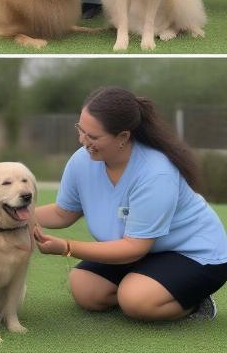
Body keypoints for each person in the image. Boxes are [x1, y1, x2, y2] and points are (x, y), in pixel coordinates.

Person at [34, 87, 227, 322]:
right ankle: (150, 286)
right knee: (85, 289)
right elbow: (63, 213)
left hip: (194, 254)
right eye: (81, 130)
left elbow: (134, 248)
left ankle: (192, 301)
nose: (83, 141)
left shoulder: (156, 173)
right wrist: (11, 216)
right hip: (144, 249)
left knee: (135, 301)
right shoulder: (82, 161)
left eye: (93, 137)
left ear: (123, 137)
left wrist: (66, 247)